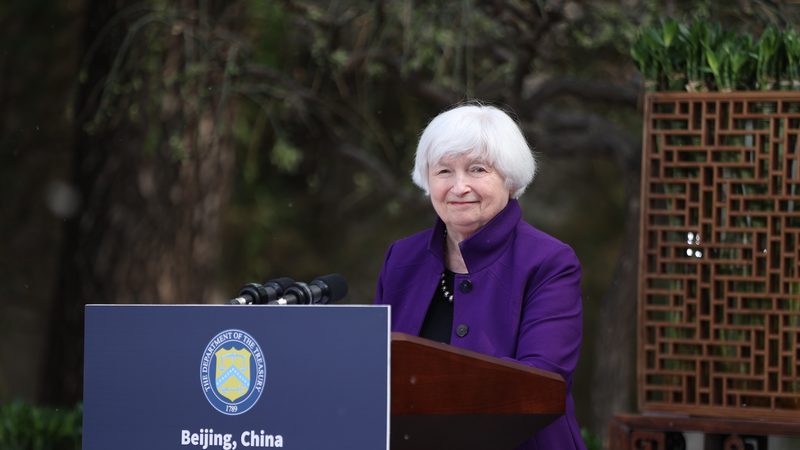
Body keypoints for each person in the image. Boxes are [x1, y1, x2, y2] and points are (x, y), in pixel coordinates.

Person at [374, 103, 585, 449]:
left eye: (477, 169)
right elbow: (375, 371)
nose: (459, 187)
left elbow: (541, 382)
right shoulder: (401, 259)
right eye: (443, 171)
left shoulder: (550, 262)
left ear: (510, 178)